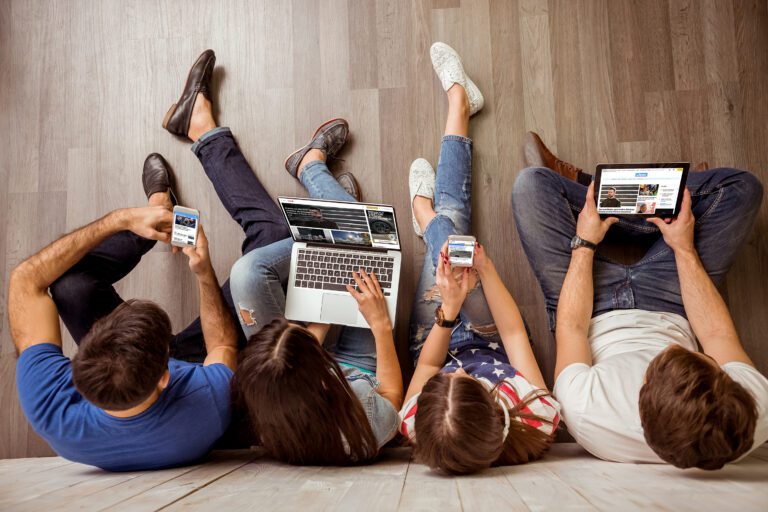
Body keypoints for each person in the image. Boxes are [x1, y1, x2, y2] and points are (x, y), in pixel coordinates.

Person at [9, 49, 291, 471]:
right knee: (273, 242)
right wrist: (202, 271)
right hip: (205, 363)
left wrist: (121, 220)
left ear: (79, 366)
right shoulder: (205, 402)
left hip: (138, 375)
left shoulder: (51, 409)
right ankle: (201, 128)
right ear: (166, 373)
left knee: (68, 285)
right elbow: (222, 346)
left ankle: (157, 208)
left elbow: (25, 280)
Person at [514, 134, 768, 469]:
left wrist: (586, 242)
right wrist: (683, 247)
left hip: (591, 309)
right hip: (674, 301)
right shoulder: (749, 411)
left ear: (642, 395)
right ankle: (667, 207)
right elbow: (716, 336)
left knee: (531, 186)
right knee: (743, 188)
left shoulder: (588, 415)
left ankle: (607, 194)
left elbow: (572, 328)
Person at [399, 42, 559, 476]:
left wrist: (448, 314)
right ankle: (429, 211)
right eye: (465, 382)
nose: (456, 372)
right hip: (491, 334)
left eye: (442, 387)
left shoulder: (417, 423)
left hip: (436, 335)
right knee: (453, 241)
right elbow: (513, 336)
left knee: (448, 240)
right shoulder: (536, 415)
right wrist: (485, 270)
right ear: (493, 402)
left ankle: (429, 218)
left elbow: (432, 363)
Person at [227, 119, 403, 466]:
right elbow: (392, 397)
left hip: (294, 366)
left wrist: (320, 315)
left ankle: (333, 210)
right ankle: (319, 180)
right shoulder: (361, 425)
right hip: (362, 370)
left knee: (246, 274)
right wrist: (381, 325)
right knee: (373, 244)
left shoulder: (263, 397)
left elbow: (294, 349)